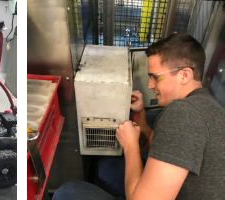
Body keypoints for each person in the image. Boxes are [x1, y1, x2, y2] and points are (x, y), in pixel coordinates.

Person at [54, 34, 225, 199]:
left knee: (68, 191)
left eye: (155, 77)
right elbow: (148, 144)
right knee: (109, 166)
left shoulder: (184, 113)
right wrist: (140, 112)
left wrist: (129, 146)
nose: (150, 85)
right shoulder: (207, 106)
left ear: (184, 75)